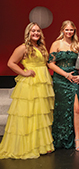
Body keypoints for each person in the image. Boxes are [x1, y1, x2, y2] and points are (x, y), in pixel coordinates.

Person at [0, 22, 54, 159]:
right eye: (33, 31)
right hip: (30, 84)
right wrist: (24, 73)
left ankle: (41, 145)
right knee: (29, 114)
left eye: (38, 31)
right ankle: (27, 146)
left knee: (40, 114)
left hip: (42, 84)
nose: (36, 33)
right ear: (28, 33)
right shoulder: (23, 47)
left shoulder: (41, 47)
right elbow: (11, 63)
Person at [48, 20, 79, 151]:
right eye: (67, 30)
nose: (69, 32)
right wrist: (65, 74)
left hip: (73, 79)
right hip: (60, 79)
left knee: (76, 109)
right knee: (61, 109)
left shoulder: (78, 45)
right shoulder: (56, 44)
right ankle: (60, 138)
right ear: (62, 30)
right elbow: (51, 64)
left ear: (74, 31)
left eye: (71, 30)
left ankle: (77, 139)